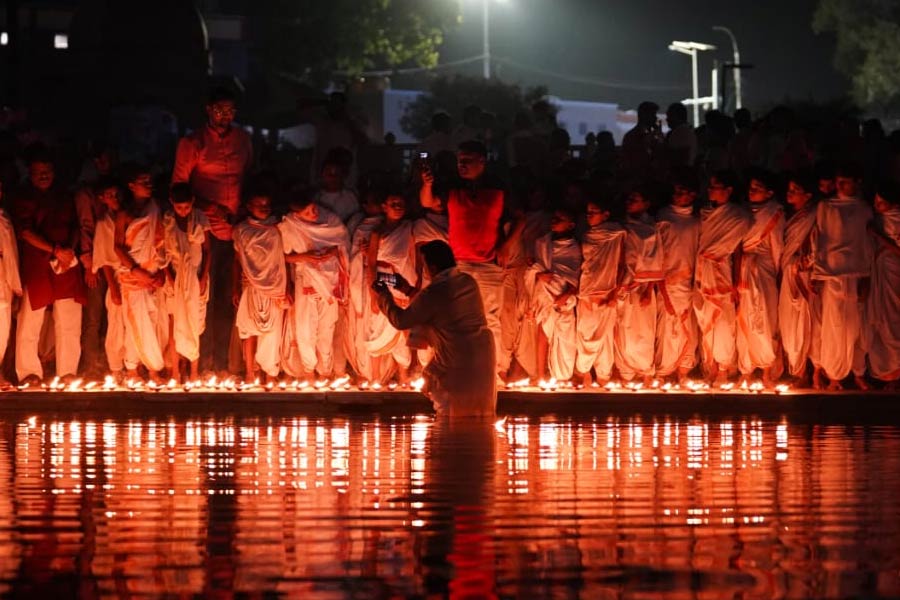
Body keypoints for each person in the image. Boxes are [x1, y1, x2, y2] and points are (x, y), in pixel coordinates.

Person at [419, 140, 517, 382]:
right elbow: (427, 203)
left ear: (482, 161)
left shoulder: (499, 186)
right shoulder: (451, 186)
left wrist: (506, 245)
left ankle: (490, 374)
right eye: (459, 160)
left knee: (490, 320)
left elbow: (520, 218)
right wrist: (427, 184)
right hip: (459, 264)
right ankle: (459, 370)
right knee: (455, 319)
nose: (461, 164)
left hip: (489, 264)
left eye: (467, 160)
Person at [172, 86, 253, 376]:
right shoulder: (192, 143)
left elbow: (250, 177)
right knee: (204, 299)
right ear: (208, 110)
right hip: (206, 230)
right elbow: (178, 188)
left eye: (230, 111)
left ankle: (227, 365)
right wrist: (210, 207)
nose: (225, 116)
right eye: (220, 110)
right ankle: (201, 364)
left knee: (233, 298)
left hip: (238, 231)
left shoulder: (243, 140)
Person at [372, 240, 495, 417]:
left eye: (425, 265)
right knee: (479, 419)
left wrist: (384, 296)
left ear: (433, 267)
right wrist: (407, 289)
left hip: (456, 362)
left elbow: (401, 321)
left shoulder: (435, 292)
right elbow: (440, 305)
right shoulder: (468, 282)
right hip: (483, 357)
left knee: (451, 420)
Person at [13, 150, 86, 385]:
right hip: (38, 262)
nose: (43, 176)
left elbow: (75, 226)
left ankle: (67, 372)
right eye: (38, 173)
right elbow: (25, 232)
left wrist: (68, 252)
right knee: (31, 321)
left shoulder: (64, 196)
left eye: (47, 172)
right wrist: (54, 250)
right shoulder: (25, 197)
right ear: (31, 175)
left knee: (69, 320)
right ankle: (29, 372)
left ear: (53, 173)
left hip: (65, 263)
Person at [810, 162, 872, 391]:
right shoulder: (826, 206)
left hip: (856, 273)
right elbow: (822, 239)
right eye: (838, 182)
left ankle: (856, 372)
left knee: (854, 326)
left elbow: (865, 243)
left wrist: (866, 276)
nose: (840, 185)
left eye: (845, 181)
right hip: (832, 273)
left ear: (857, 182)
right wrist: (818, 273)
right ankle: (833, 375)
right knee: (833, 325)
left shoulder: (864, 208)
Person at [279, 189, 350, 380]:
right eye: (307, 213)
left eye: (313, 208)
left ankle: (325, 372)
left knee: (327, 329)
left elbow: (343, 245)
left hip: (330, 281)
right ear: (297, 215)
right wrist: (305, 256)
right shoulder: (290, 226)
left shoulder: (331, 220)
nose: (314, 214)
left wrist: (333, 253)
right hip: (306, 281)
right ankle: (309, 372)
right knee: (305, 329)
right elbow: (283, 257)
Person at [694, 170, 751, 384]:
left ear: (728, 190)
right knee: (706, 318)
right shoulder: (706, 213)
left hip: (722, 271)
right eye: (709, 186)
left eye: (715, 186)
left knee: (724, 320)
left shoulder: (738, 217)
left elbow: (736, 251)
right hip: (703, 270)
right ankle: (711, 365)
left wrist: (736, 282)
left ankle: (724, 368)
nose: (710, 190)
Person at [114, 164, 166, 383]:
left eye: (149, 181)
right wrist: (137, 272)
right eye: (143, 182)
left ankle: (134, 368)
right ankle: (148, 370)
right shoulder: (124, 214)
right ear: (131, 186)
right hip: (133, 276)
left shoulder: (156, 208)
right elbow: (118, 247)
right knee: (137, 321)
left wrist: (160, 271)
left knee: (150, 321)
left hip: (153, 273)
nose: (149, 185)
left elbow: (162, 241)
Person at [232, 191, 290, 383]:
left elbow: (283, 260)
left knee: (272, 331)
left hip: (275, 286)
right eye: (260, 204)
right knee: (249, 330)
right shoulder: (241, 230)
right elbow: (238, 260)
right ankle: (250, 373)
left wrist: (286, 287)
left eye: (267, 204)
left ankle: (269, 374)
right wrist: (235, 287)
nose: (264, 208)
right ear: (249, 206)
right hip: (250, 285)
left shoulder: (277, 228)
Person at [736, 169, 785, 386]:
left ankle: (766, 371)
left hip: (765, 270)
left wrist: (775, 274)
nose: (752, 191)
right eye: (751, 187)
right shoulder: (742, 212)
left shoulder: (775, 212)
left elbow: (777, 247)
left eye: (757, 189)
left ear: (769, 192)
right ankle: (745, 370)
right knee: (744, 317)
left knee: (764, 319)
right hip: (745, 269)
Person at [524, 208, 581, 382]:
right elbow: (535, 266)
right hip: (544, 294)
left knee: (565, 337)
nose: (554, 220)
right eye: (554, 217)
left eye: (560, 218)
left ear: (570, 225)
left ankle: (562, 375)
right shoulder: (542, 243)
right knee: (543, 334)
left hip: (563, 296)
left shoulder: (574, 248)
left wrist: (566, 294)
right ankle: (541, 375)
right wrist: (538, 274)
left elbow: (576, 275)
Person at [162, 183, 211, 382]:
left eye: (186, 207)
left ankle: (193, 372)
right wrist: (170, 277)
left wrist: (203, 277)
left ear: (192, 202)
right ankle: (175, 371)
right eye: (179, 207)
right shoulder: (167, 221)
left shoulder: (200, 219)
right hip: (174, 277)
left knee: (194, 323)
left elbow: (207, 251)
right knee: (175, 324)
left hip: (196, 276)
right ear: (172, 203)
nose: (183, 211)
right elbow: (161, 252)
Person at [366, 193, 416, 384]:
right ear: (384, 206)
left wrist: (413, 284)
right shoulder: (377, 233)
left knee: (405, 328)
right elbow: (370, 264)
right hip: (383, 280)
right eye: (393, 204)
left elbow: (414, 255)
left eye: (401, 204)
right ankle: (376, 378)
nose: (397, 207)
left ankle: (405, 377)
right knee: (377, 327)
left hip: (403, 279)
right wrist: (373, 294)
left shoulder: (408, 228)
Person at [655, 171, 700, 383]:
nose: (677, 195)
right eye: (675, 192)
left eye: (682, 192)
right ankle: (664, 369)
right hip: (668, 281)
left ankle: (683, 369)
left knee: (686, 324)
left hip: (689, 281)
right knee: (667, 326)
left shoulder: (696, 222)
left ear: (692, 195)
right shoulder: (664, 217)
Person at [615, 187, 663, 384]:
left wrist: (649, 289)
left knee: (643, 330)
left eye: (635, 198)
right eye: (629, 198)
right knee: (623, 327)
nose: (630, 202)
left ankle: (645, 372)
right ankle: (626, 372)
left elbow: (657, 261)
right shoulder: (622, 226)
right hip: (625, 284)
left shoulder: (651, 229)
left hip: (643, 287)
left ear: (646, 204)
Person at [575, 198, 625, 388]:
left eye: (594, 211)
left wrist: (615, 293)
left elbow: (621, 265)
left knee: (605, 336)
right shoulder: (586, 235)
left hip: (607, 290)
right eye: (587, 212)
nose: (589, 215)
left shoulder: (616, 233)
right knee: (586, 333)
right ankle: (585, 371)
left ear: (606, 214)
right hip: (587, 289)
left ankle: (604, 374)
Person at [74, 145, 113, 378]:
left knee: (112, 315)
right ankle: (90, 366)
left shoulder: (113, 189)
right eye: (99, 161)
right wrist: (89, 264)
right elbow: (85, 227)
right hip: (96, 262)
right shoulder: (85, 194)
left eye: (107, 160)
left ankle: (109, 365)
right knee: (93, 316)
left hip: (114, 261)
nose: (103, 165)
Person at [778, 170, 817, 386]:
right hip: (787, 274)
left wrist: (804, 263)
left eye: (796, 191)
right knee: (787, 321)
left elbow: (817, 246)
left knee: (802, 322)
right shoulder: (788, 216)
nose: (790, 193)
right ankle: (794, 368)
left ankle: (803, 372)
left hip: (803, 275)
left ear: (808, 195)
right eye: (789, 189)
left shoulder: (814, 216)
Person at [347, 190, 386, 383]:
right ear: (364, 205)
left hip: (385, 280)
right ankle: (366, 373)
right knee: (363, 326)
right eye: (372, 202)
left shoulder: (389, 226)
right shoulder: (360, 226)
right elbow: (351, 256)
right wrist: (363, 256)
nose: (377, 205)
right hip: (362, 281)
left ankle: (380, 375)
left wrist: (372, 254)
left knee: (380, 325)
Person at [90, 177, 127, 381]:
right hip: (116, 275)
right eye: (110, 196)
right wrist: (112, 288)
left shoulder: (128, 215)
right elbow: (104, 258)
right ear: (103, 198)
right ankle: (115, 367)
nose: (115, 199)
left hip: (133, 275)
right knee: (115, 323)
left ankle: (133, 365)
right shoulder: (104, 223)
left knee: (133, 323)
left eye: (117, 194)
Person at [867, 180, 900, 388]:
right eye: (876, 202)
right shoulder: (878, 219)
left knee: (893, 320)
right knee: (880, 320)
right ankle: (888, 373)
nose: (877, 205)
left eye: (881, 202)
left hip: (894, 271)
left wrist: (878, 237)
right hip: (880, 271)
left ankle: (897, 370)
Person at [0, 180, 21, 388]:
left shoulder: (3, 217)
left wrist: (14, 284)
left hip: (1, 279)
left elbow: (11, 254)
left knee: (2, 328)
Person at [315, 158, 360, 224]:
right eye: (328, 172)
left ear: (342, 175)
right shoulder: (316, 197)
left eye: (337, 173)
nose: (333, 177)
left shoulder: (351, 197)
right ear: (322, 175)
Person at [665, 102, 698, 167]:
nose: (667, 119)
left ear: (677, 116)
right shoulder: (687, 131)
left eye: (670, 116)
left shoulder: (680, 132)